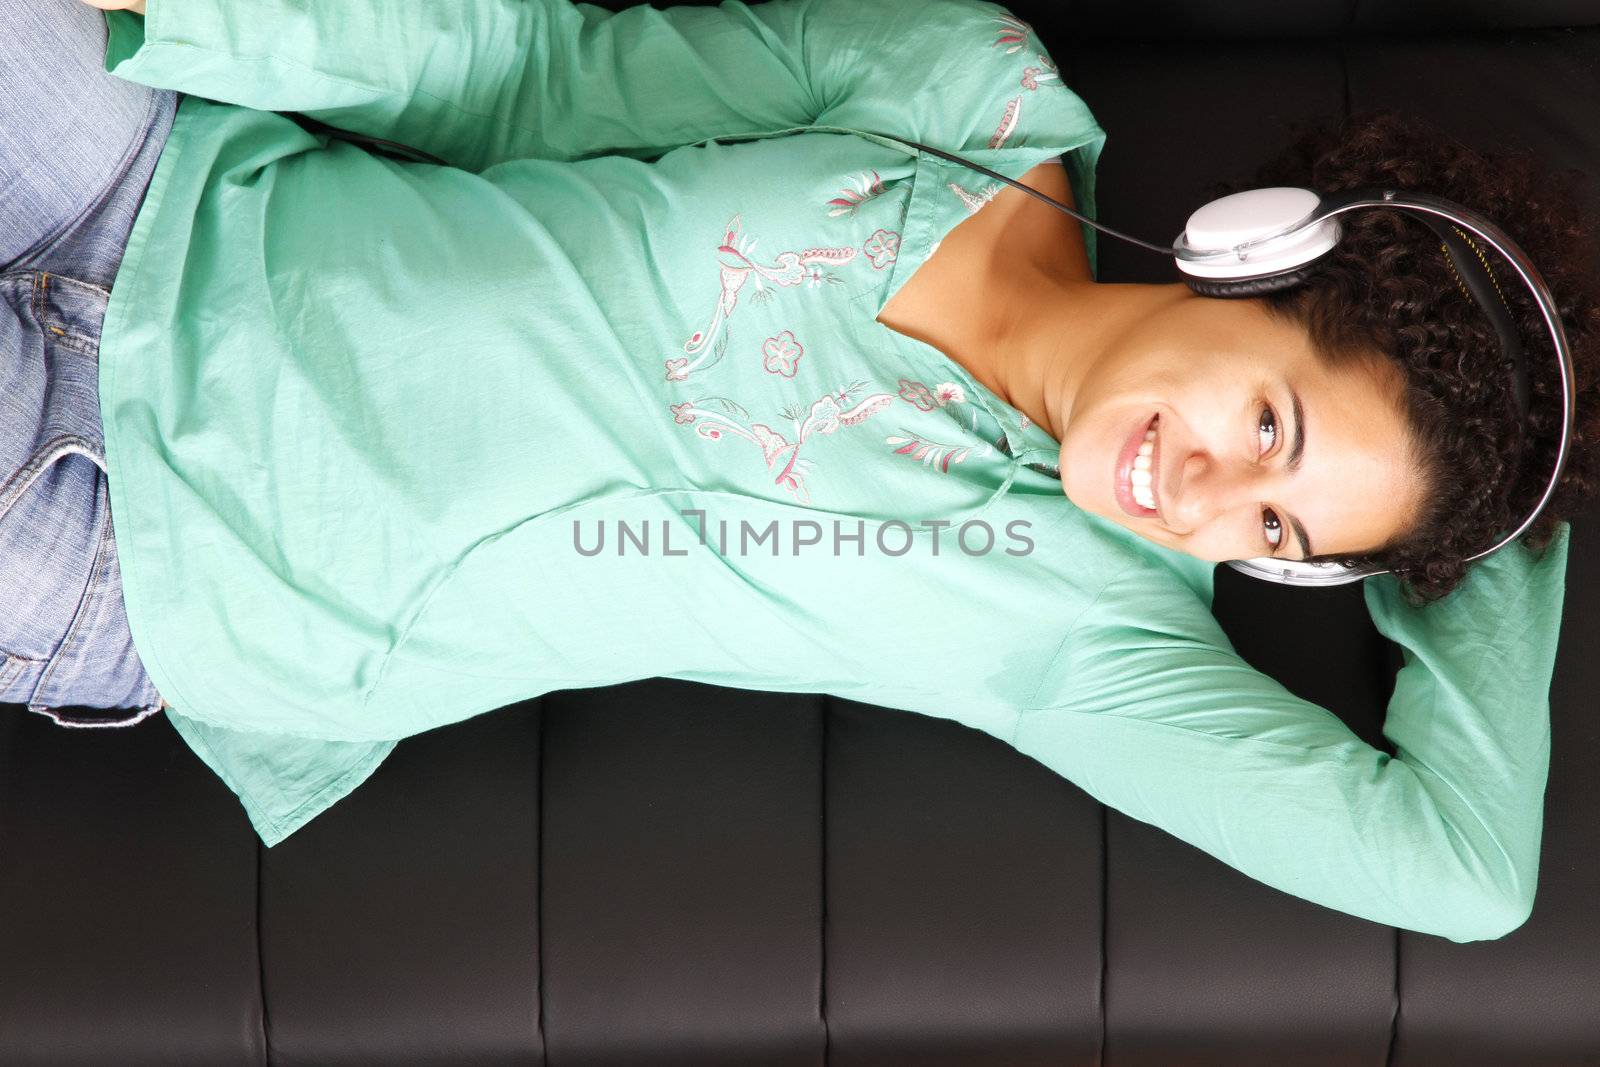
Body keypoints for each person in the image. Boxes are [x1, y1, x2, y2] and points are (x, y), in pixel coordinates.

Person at [11, 0, 1596, 940]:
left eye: (1273, 528)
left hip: (140, 543)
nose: (1196, 500)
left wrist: (1504, 486)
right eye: (1274, 432)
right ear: (1262, 262)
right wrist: (167, 19)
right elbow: (540, 79)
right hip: (174, 181)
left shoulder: (1096, 645)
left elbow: (1461, 876)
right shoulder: (969, 85)